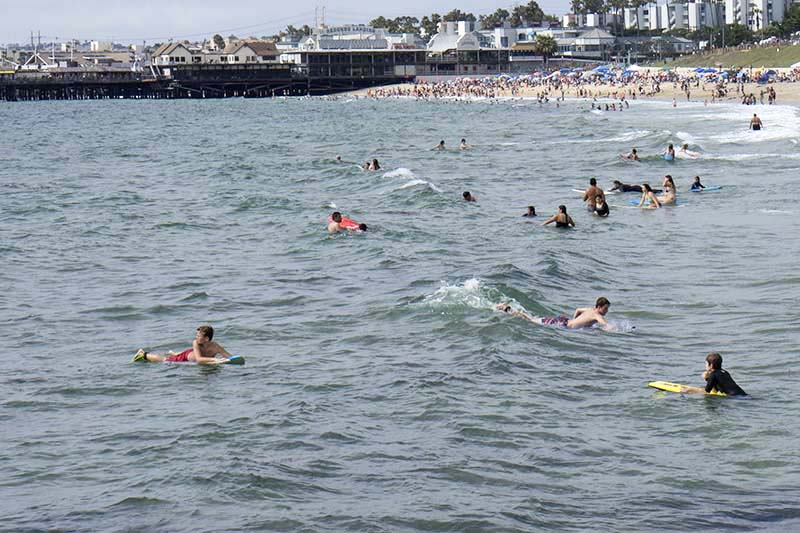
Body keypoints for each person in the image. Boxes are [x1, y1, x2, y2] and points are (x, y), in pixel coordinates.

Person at [495, 296, 613, 330]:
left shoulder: (589, 310)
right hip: (563, 324)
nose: (606, 311)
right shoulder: (596, 315)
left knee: (532, 318)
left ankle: (508, 309)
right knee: (530, 321)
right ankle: (507, 309)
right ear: (598, 307)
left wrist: (574, 320)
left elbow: (577, 309)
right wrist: (618, 329)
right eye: (605, 309)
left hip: (563, 321)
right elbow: (605, 324)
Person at [132, 325, 232, 364]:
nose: (196, 337)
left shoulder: (215, 346)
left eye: (198, 336)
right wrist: (215, 359)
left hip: (190, 353)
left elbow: (228, 355)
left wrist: (234, 359)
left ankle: (174, 353)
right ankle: (143, 354)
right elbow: (199, 359)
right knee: (165, 360)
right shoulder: (195, 343)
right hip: (186, 357)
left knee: (177, 354)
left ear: (206, 338)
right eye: (196, 335)